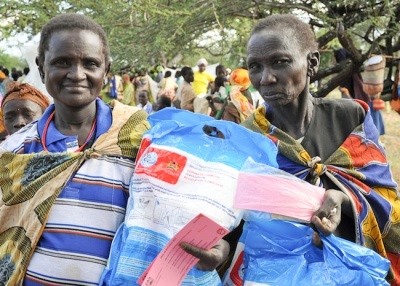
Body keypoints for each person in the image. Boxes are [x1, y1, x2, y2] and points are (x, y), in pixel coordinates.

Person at [226, 14, 400, 285]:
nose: (266, 78)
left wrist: (343, 201)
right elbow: (231, 218)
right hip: (273, 275)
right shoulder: (247, 137)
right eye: (255, 66)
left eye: (280, 62)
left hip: (346, 273)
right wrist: (222, 250)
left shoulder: (351, 118)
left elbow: (386, 200)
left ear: (312, 63)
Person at [0, 13, 150, 285]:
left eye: (90, 63)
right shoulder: (14, 152)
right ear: (41, 66)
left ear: (106, 70)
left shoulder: (139, 140)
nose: (77, 74)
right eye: (62, 62)